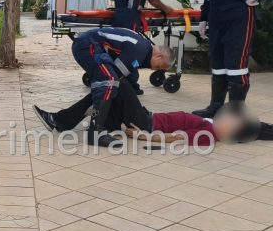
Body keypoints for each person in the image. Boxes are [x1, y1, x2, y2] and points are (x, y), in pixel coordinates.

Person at [34, 27, 174, 145]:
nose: (154, 70)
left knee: (110, 87)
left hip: (93, 46)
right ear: (159, 56)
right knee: (110, 82)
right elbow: (117, 76)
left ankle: (58, 120)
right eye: (159, 67)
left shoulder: (143, 49)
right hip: (88, 45)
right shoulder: (140, 49)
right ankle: (95, 133)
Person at [35, 79, 249, 146]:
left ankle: (63, 120)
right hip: (148, 116)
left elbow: (176, 138)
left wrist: (142, 136)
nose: (226, 120)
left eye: (231, 125)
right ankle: (63, 120)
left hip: (147, 124)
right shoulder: (211, 123)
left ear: (229, 134)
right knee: (109, 91)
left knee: (120, 84)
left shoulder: (208, 135)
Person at [111, 0, 175, 95]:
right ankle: (131, 85)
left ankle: (117, 79)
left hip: (117, 15)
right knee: (132, 51)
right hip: (131, 18)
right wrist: (167, 9)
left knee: (117, 49)